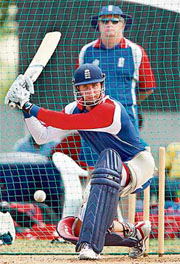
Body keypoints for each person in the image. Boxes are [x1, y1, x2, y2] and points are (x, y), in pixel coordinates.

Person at [4, 63, 155, 259]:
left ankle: (90, 246)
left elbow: (67, 122)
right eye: (86, 87)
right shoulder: (74, 108)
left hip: (138, 165)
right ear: (78, 90)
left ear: (102, 86)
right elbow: (42, 136)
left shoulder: (111, 110)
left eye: (95, 85)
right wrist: (24, 109)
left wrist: (27, 105)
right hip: (110, 172)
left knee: (108, 158)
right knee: (79, 228)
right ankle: (134, 232)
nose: (92, 91)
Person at [77, 5, 156, 166]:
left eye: (115, 21)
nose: (109, 25)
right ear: (98, 25)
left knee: (128, 166)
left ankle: (126, 192)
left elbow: (148, 87)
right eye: (104, 21)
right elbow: (80, 87)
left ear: (123, 25)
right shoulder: (86, 52)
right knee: (94, 168)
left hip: (124, 119)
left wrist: (123, 104)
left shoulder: (136, 51)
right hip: (92, 120)